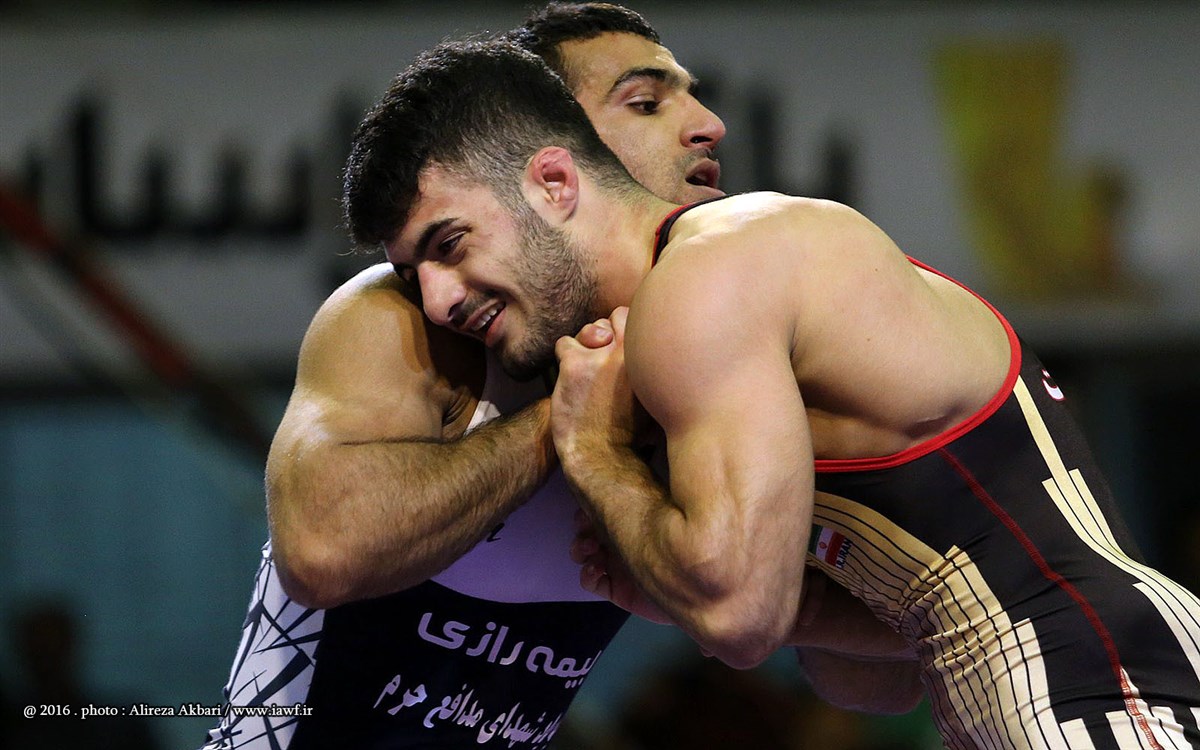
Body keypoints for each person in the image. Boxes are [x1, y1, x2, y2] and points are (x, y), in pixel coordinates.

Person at [345, 37, 1200, 749]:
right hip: (1069, 678)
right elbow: (882, 676)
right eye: (416, 275)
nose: (439, 301)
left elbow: (736, 618)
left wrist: (593, 450)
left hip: (1097, 686)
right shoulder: (716, 314)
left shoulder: (712, 275)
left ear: (556, 182)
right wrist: (704, 587)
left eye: (450, 244)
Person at [205, 5, 912, 749]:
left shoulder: (719, 358)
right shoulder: (405, 317)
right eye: (645, 103)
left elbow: (879, 685)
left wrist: (775, 586)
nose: (708, 125)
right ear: (554, 157)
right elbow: (322, 551)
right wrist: (570, 420)